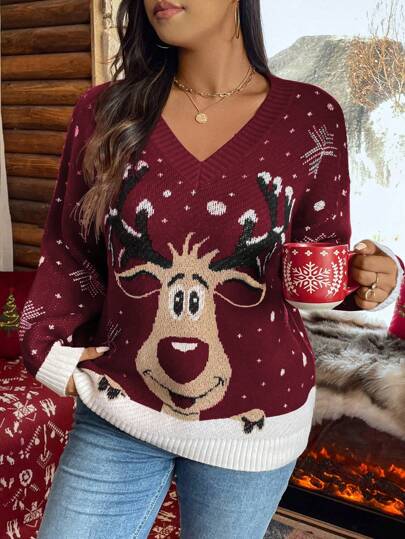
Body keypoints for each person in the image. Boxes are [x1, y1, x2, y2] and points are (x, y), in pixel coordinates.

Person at [18, 1, 404, 538]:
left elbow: (318, 262)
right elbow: (69, 249)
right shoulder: (102, 112)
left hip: (256, 419)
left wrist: (369, 279)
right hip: (119, 407)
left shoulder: (310, 117)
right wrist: (46, 348)